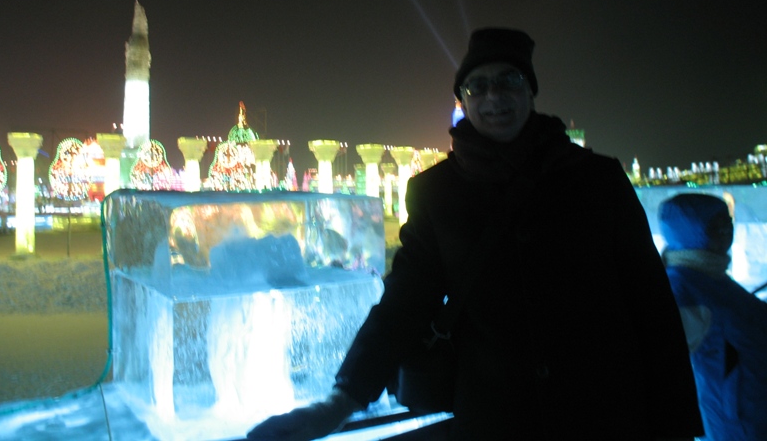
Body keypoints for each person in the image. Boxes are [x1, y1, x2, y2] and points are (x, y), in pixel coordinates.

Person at [248, 27, 703, 440]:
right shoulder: (437, 191)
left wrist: (676, 422)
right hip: (497, 415)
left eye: (508, 81)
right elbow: (406, 300)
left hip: (605, 411)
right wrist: (344, 398)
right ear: (463, 100)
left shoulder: (595, 178)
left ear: (530, 91)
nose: (494, 97)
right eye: (478, 86)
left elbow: (650, 304)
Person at [658, 193, 767, 441]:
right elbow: (663, 373)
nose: (725, 231)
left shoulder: (713, 278)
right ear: (688, 230)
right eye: (714, 225)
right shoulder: (681, 290)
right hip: (730, 428)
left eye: (727, 222)